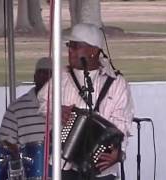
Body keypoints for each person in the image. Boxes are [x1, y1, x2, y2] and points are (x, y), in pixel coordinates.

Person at [38, 23, 134, 180]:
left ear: (94, 51)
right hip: (62, 165)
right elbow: (43, 102)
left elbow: (122, 123)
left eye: (76, 46)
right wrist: (56, 110)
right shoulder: (61, 77)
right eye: (69, 46)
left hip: (101, 171)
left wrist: (119, 153)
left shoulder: (116, 83)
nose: (70, 51)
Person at [0, 57, 52, 145]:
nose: (45, 78)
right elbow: (5, 140)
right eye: (42, 74)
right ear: (35, 78)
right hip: (28, 158)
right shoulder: (16, 107)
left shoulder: (66, 105)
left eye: (49, 74)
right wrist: (12, 148)